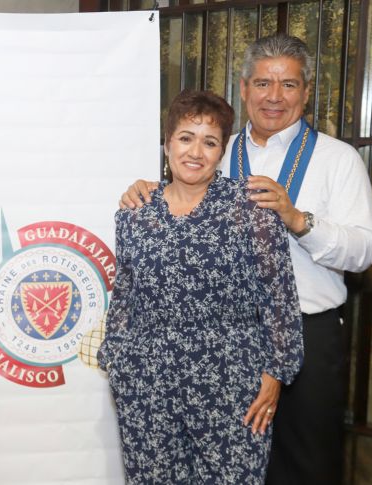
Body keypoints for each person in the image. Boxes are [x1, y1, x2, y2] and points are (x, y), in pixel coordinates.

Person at [120, 34, 372, 484]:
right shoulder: (216, 149)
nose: (274, 96)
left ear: (306, 91)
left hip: (306, 333)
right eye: (262, 83)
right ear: (243, 89)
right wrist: (144, 190)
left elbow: (364, 251)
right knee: (224, 468)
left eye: (288, 84)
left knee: (305, 466)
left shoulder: (338, 160)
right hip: (218, 343)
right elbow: (179, 198)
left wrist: (298, 220)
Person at [98, 89, 303, 484]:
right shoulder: (135, 213)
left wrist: (275, 374)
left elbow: (280, 299)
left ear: (221, 151)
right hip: (147, 385)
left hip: (233, 385)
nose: (195, 152)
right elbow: (124, 296)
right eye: (185, 137)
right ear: (167, 144)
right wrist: (117, 359)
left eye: (209, 142)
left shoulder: (252, 209)